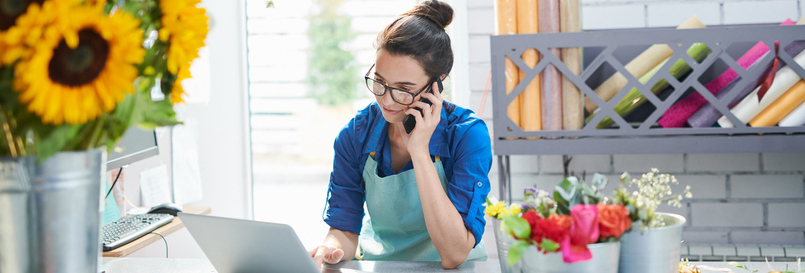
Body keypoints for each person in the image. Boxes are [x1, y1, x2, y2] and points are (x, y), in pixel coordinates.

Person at [307, 0, 492, 269]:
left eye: (404, 88)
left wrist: (419, 151)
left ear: (436, 84)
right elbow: (345, 229)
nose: (387, 100)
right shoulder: (355, 135)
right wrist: (332, 247)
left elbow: (454, 253)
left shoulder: (467, 136)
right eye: (380, 82)